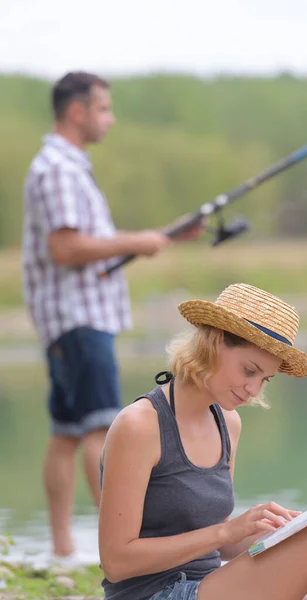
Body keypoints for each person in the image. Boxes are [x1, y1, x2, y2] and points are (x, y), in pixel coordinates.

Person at [98, 282, 307, 600]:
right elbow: (117, 563)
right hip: (153, 595)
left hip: (210, 586)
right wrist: (226, 530)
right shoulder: (139, 425)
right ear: (214, 343)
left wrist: (286, 528)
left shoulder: (228, 422)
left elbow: (223, 544)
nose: (254, 390)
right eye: (249, 370)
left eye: (264, 379)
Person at [22, 71, 203, 563]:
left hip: (69, 320)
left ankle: (62, 550)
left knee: (66, 431)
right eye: (104, 109)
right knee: (102, 429)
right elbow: (66, 247)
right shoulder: (59, 167)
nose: (111, 118)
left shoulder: (65, 166)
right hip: (79, 319)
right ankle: (122, 550)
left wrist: (159, 238)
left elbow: (86, 243)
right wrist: (134, 242)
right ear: (77, 111)